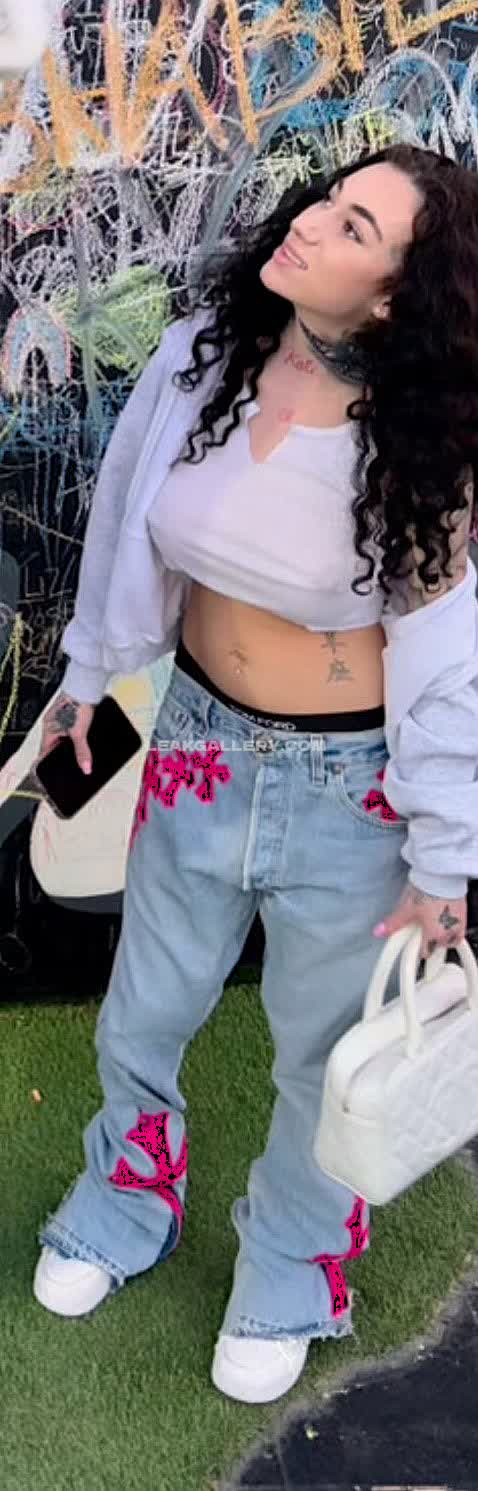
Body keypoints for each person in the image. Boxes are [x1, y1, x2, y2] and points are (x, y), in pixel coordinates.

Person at [33, 144, 478, 1405]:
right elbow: (125, 525)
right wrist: (86, 680)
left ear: (392, 297)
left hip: (352, 791)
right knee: (145, 1007)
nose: (311, 223)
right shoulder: (204, 358)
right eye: (326, 199)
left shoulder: (430, 441)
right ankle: (127, 1193)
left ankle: (290, 1265)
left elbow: (449, 664)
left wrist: (446, 858)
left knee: (319, 1052)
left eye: (354, 227)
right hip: (193, 745)